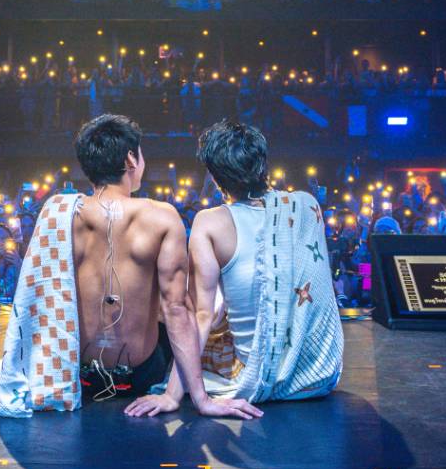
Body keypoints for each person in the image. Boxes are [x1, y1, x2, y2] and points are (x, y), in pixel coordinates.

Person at [0, 114, 260, 420]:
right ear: (131, 158)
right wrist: (201, 400)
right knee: (187, 308)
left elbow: (39, 295)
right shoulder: (162, 217)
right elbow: (176, 309)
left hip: (76, 374)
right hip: (140, 376)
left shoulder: (58, 212)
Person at [127, 119, 342, 417]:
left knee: (183, 322)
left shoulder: (209, 222)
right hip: (317, 374)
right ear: (263, 163)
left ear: (216, 178)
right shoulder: (306, 205)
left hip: (257, 374)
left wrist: (172, 395)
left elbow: (200, 316)